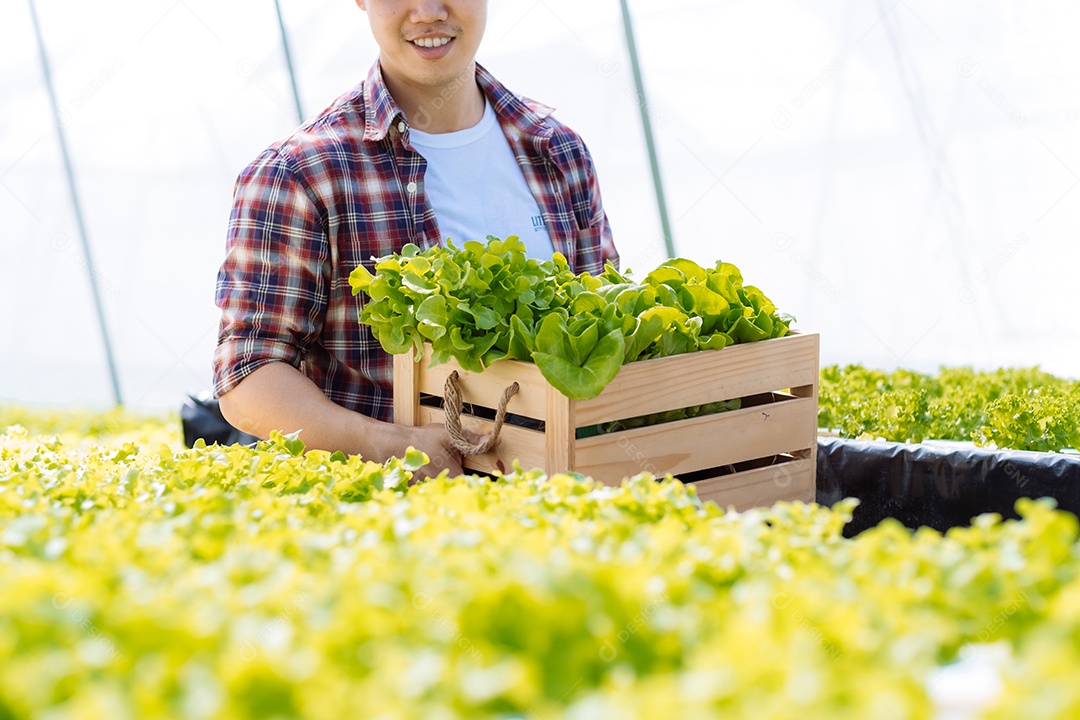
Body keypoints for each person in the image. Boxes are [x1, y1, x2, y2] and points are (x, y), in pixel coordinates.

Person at [213, 0, 618, 479]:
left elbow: (604, 331)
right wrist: (391, 445)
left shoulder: (558, 151)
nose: (427, 11)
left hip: (564, 502)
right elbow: (248, 375)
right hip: (398, 516)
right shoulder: (301, 173)